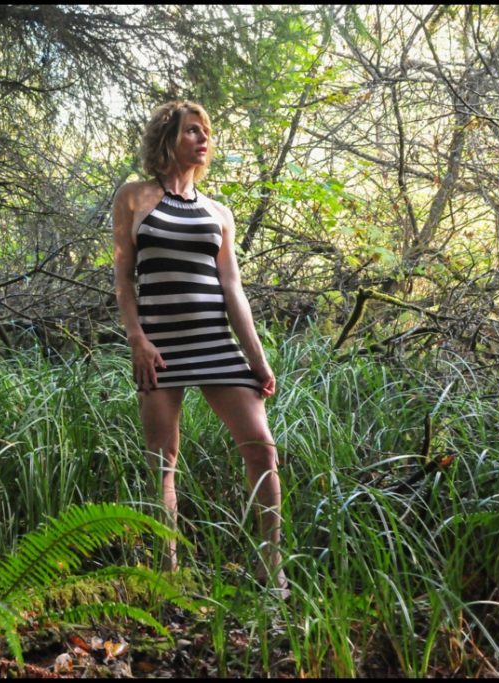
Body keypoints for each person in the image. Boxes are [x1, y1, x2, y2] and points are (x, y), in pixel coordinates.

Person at [112, 100, 287, 592]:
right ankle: (168, 576)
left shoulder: (218, 213)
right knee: (162, 460)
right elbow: (124, 279)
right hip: (159, 348)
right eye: (192, 130)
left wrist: (257, 358)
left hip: (215, 343)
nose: (203, 138)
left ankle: (272, 571)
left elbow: (232, 288)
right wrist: (137, 340)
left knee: (262, 450)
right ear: (168, 137)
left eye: (206, 131)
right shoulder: (134, 197)